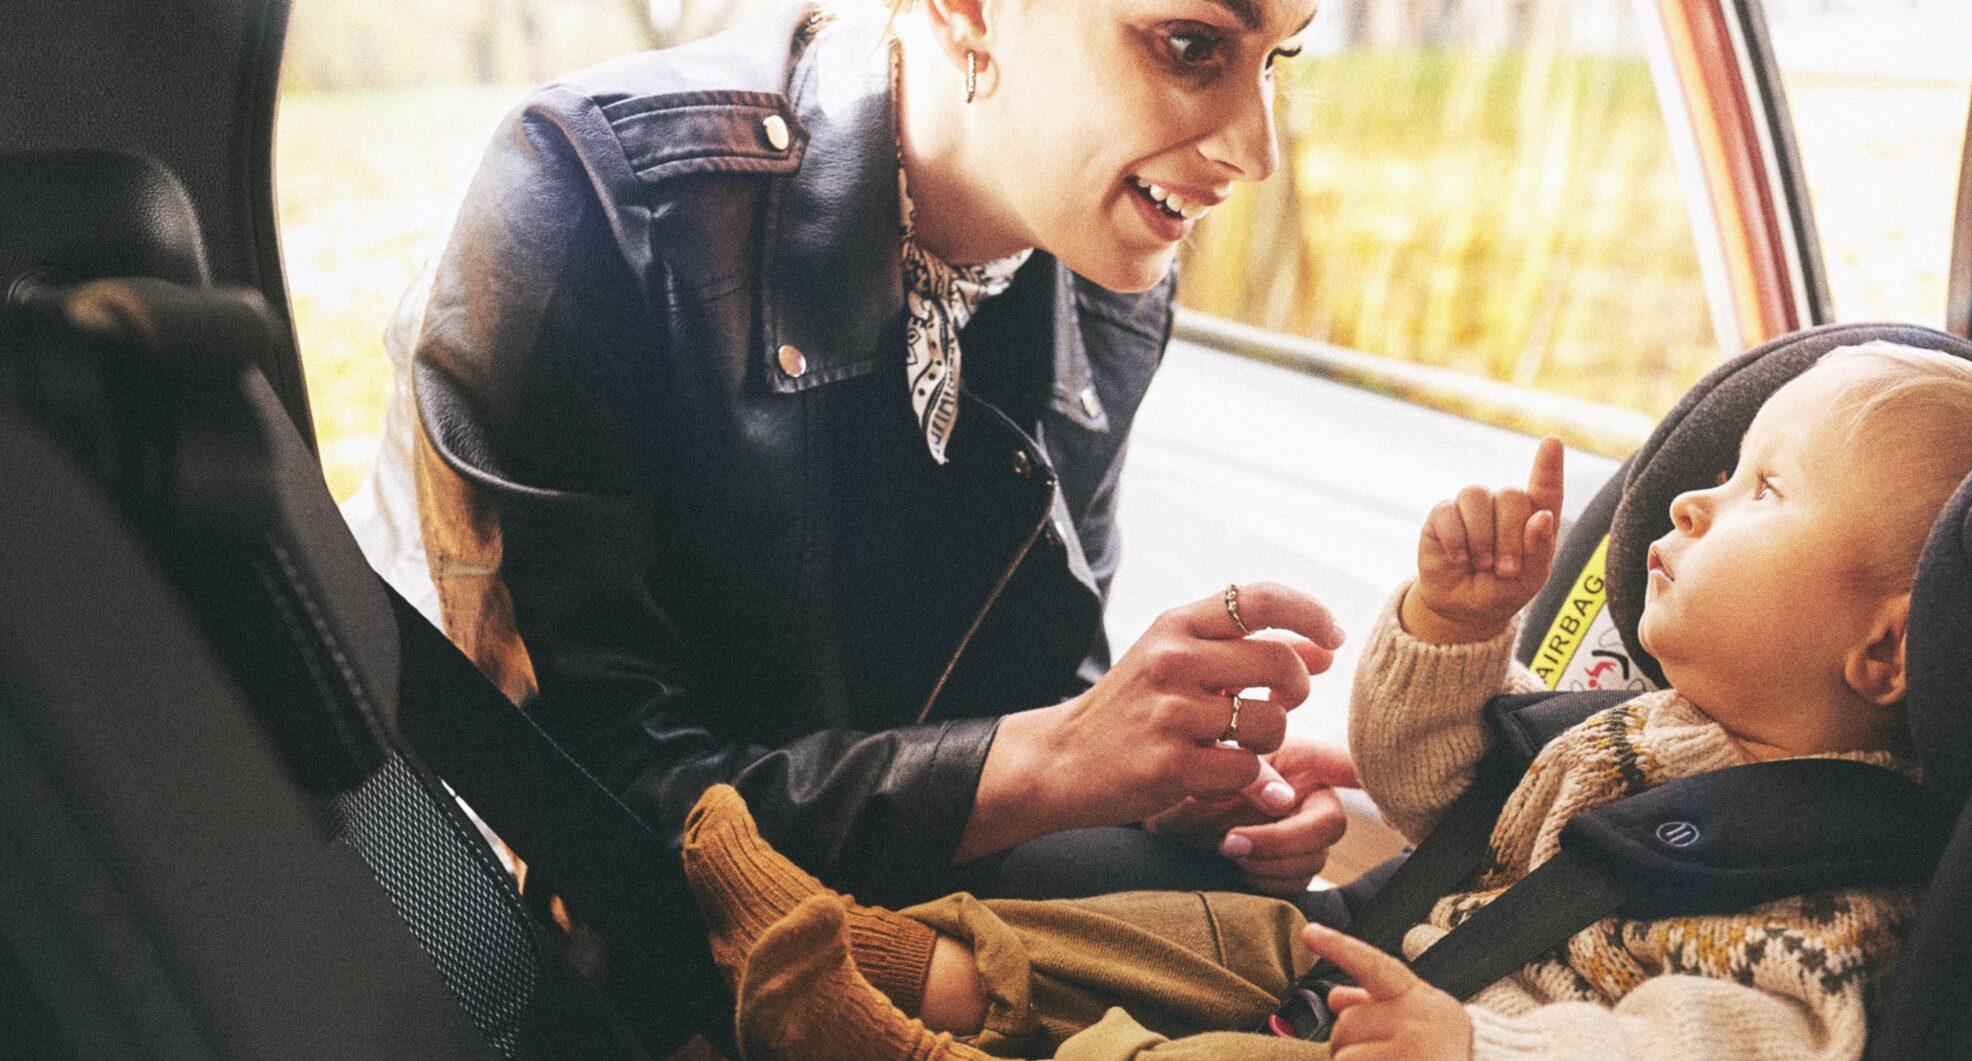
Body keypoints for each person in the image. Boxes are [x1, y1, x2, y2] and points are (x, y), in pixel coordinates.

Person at [679, 343, 1972, 1061]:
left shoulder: (1824, 921)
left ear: (1887, 655)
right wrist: (1457, 634)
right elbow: (1426, 782)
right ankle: (903, 958)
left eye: (1762, 492)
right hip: (1384, 973)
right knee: (1219, 933)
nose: (1690, 500)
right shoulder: (1641, 728)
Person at [346, 0, 1352, 907]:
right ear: (968, 10)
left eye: (1277, 59)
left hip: (872, 903)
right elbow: (579, 808)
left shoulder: (1107, 277)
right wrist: (1051, 765)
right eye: (1192, 47)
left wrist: (1162, 786)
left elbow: (1037, 686)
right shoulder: (599, 197)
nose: (1255, 153)